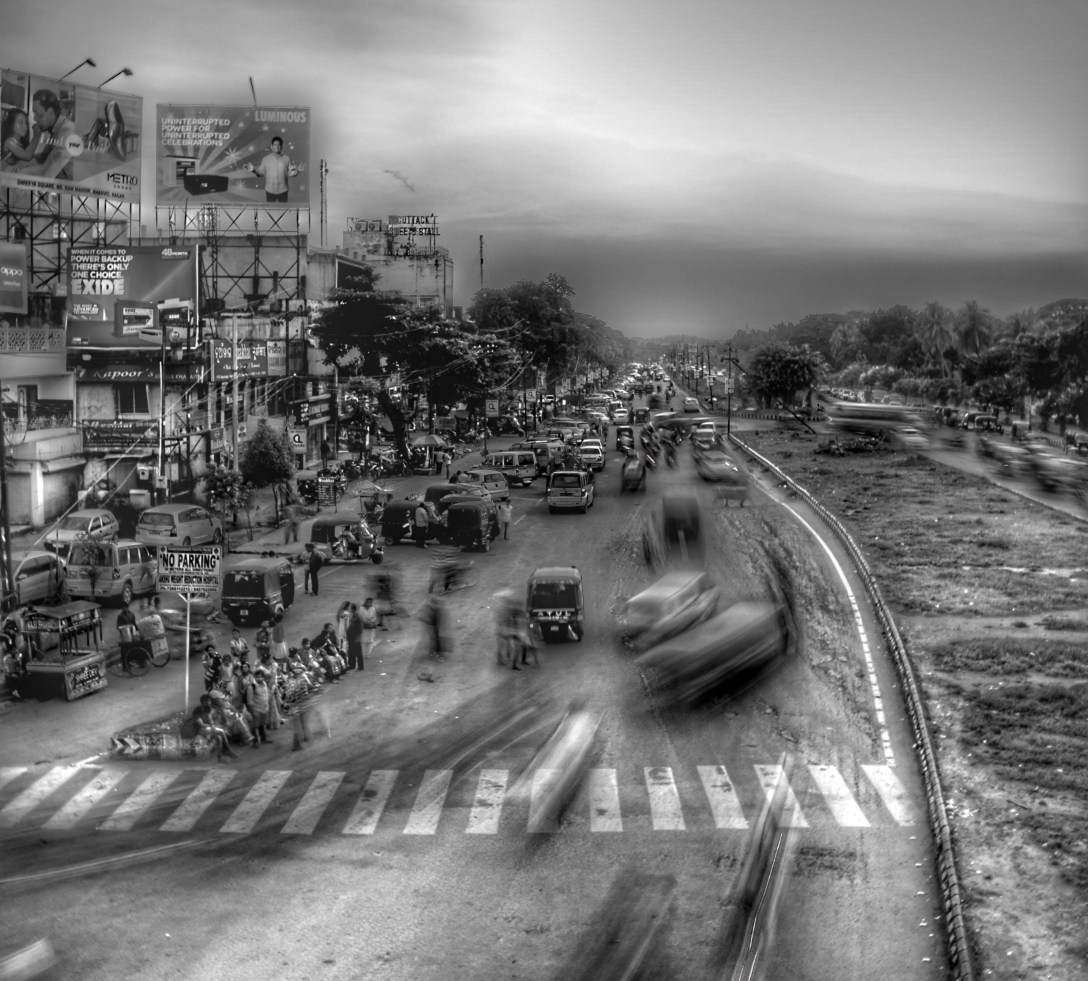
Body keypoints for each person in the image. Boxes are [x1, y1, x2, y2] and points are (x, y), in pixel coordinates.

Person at [17, 90, 77, 179]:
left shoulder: (67, 131)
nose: (35, 119)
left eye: (39, 114)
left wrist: (20, 173)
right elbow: (45, 157)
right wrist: (29, 163)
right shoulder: (54, 130)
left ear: (50, 112)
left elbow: (48, 171)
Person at [244, 135, 298, 202]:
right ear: (271, 146)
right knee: (270, 208)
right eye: (275, 145)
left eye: (279, 145)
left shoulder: (287, 159)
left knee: (283, 208)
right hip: (270, 191)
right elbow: (261, 173)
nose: (277, 147)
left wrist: (297, 171)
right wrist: (253, 170)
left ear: (281, 146)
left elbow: (291, 172)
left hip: (283, 191)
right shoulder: (266, 159)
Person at [192, 694, 237, 763]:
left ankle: (219, 758)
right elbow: (201, 724)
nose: (209, 703)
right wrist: (212, 727)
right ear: (203, 702)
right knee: (221, 731)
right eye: (207, 701)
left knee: (219, 738)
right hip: (200, 730)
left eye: (209, 701)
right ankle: (228, 750)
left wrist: (212, 725)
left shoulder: (208, 708)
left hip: (207, 728)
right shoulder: (197, 710)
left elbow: (210, 720)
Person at [345, 603, 365, 671]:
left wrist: (358, 637)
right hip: (352, 637)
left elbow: (360, 628)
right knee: (351, 651)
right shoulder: (354, 615)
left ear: (352, 609)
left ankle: (358, 666)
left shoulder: (357, 616)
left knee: (356, 652)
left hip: (355, 637)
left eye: (349, 608)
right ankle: (352, 665)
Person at [360, 597, 379, 661]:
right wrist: (365, 622)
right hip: (364, 627)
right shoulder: (361, 609)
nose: (369, 603)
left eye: (370, 602)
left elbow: (375, 618)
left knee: (370, 641)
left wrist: (370, 621)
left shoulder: (373, 609)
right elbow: (360, 618)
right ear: (365, 602)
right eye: (368, 602)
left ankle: (367, 654)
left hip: (371, 627)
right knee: (363, 641)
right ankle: (362, 654)